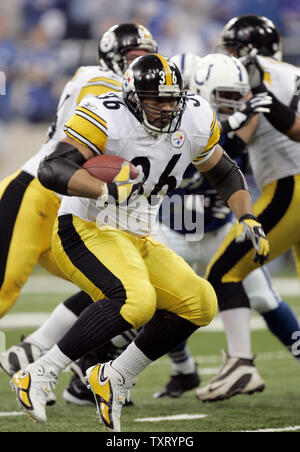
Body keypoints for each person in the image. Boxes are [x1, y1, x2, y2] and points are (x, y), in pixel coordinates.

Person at [11, 53, 269, 432]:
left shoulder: (194, 117)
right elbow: (53, 168)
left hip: (140, 235)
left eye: (171, 99)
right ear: (132, 97)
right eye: (156, 100)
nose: (166, 108)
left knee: (200, 302)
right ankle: (40, 372)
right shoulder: (106, 113)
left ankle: (115, 376)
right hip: (87, 225)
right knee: (136, 300)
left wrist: (246, 214)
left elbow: (225, 173)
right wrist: (102, 188)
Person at [0, 23, 157, 403]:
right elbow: (98, 111)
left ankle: (62, 362)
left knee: (112, 286)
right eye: (133, 57)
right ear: (113, 57)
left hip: (72, 207)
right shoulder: (98, 80)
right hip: (36, 193)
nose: (139, 65)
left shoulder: (133, 95)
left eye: (145, 57)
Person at [153, 53, 300, 399]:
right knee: (154, 300)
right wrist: (233, 124)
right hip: (173, 223)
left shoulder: (233, 116)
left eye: (238, 95)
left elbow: (233, 151)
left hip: (218, 222)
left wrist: (244, 117)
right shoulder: (170, 119)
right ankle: (182, 369)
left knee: (263, 296)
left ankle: (239, 364)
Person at [196, 14, 300, 402]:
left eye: (233, 48)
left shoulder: (259, 74)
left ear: (250, 49)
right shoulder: (290, 72)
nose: (229, 55)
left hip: (291, 184)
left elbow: (239, 140)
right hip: (291, 180)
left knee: (223, 272)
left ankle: (240, 363)